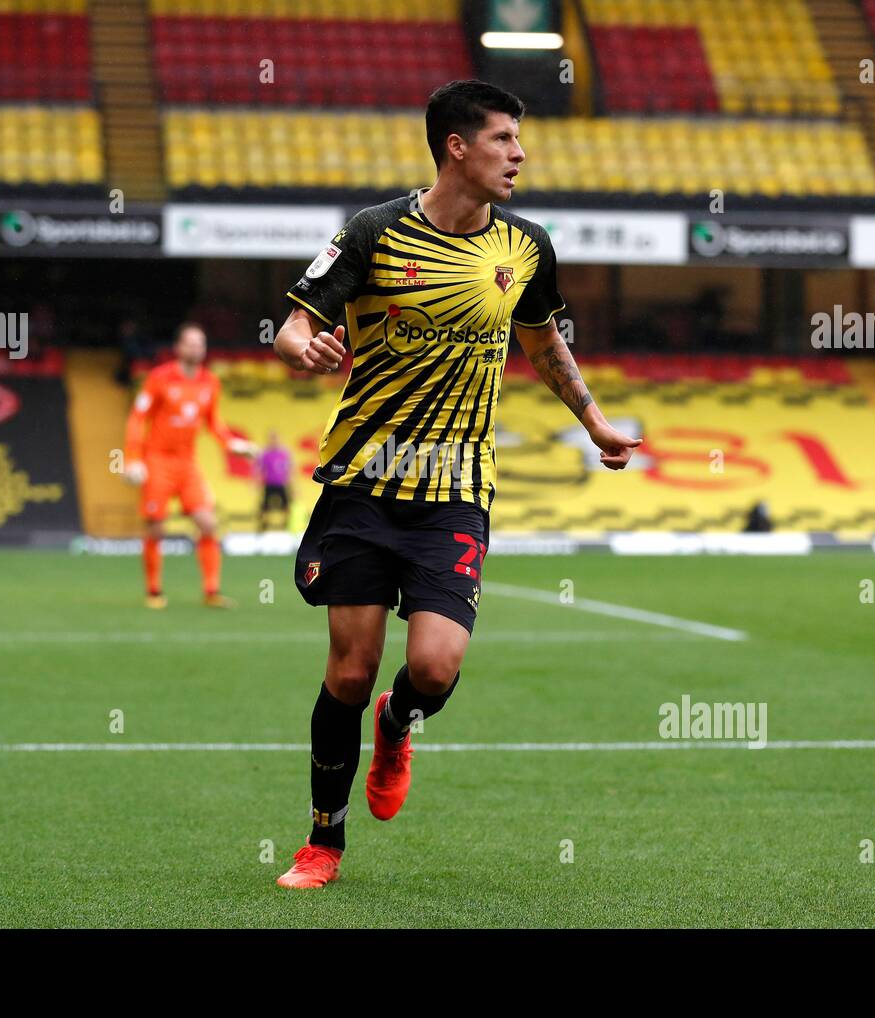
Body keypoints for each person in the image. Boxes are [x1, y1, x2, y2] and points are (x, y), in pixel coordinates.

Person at [269, 80, 642, 889]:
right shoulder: (372, 232)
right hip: (367, 482)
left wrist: (594, 420)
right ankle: (322, 843)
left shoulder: (526, 245)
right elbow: (297, 316)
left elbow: (542, 343)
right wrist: (299, 342)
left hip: (457, 491)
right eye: (505, 138)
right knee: (348, 670)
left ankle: (398, 725)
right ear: (457, 148)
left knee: (433, 668)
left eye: (519, 138)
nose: (520, 152)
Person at [123, 322, 253, 608]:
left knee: (208, 523)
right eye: (191, 343)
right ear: (179, 347)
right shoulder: (159, 378)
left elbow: (214, 423)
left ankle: (211, 591)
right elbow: (137, 417)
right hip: (157, 460)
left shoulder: (210, 382)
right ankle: (154, 591)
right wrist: (132, 459)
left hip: (187, 463)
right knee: (156, 527)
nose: (196, 348)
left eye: (201, 344)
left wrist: (232, 444)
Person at [255, 430, 293, 533]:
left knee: (287, 506)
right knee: (264, 507)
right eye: (271, 438)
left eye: (275, 438)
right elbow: (260, 469)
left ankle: (287, 527)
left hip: (281, 484)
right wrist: (256, 483)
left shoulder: (284, 453)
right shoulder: (265, 454)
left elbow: (289, 470)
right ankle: (262, 528)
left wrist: (292, 486)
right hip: (269, 484)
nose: (273, 440)